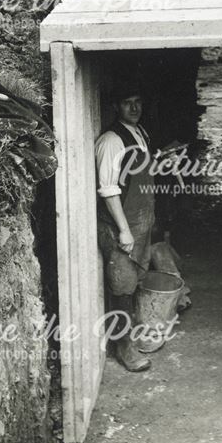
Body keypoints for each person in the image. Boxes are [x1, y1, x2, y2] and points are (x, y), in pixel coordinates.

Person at [95, 82, 158, 372]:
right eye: (127, 102)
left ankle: (131, 335)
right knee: (121, 285)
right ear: (115, 107)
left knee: (132, 283)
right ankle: (123, 347)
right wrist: (123, 230)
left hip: (140, 223)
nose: (134, 108)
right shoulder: (111, 141)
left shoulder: (140, 132)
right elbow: (108, 189)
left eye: (138, 101)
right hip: (122, 226)